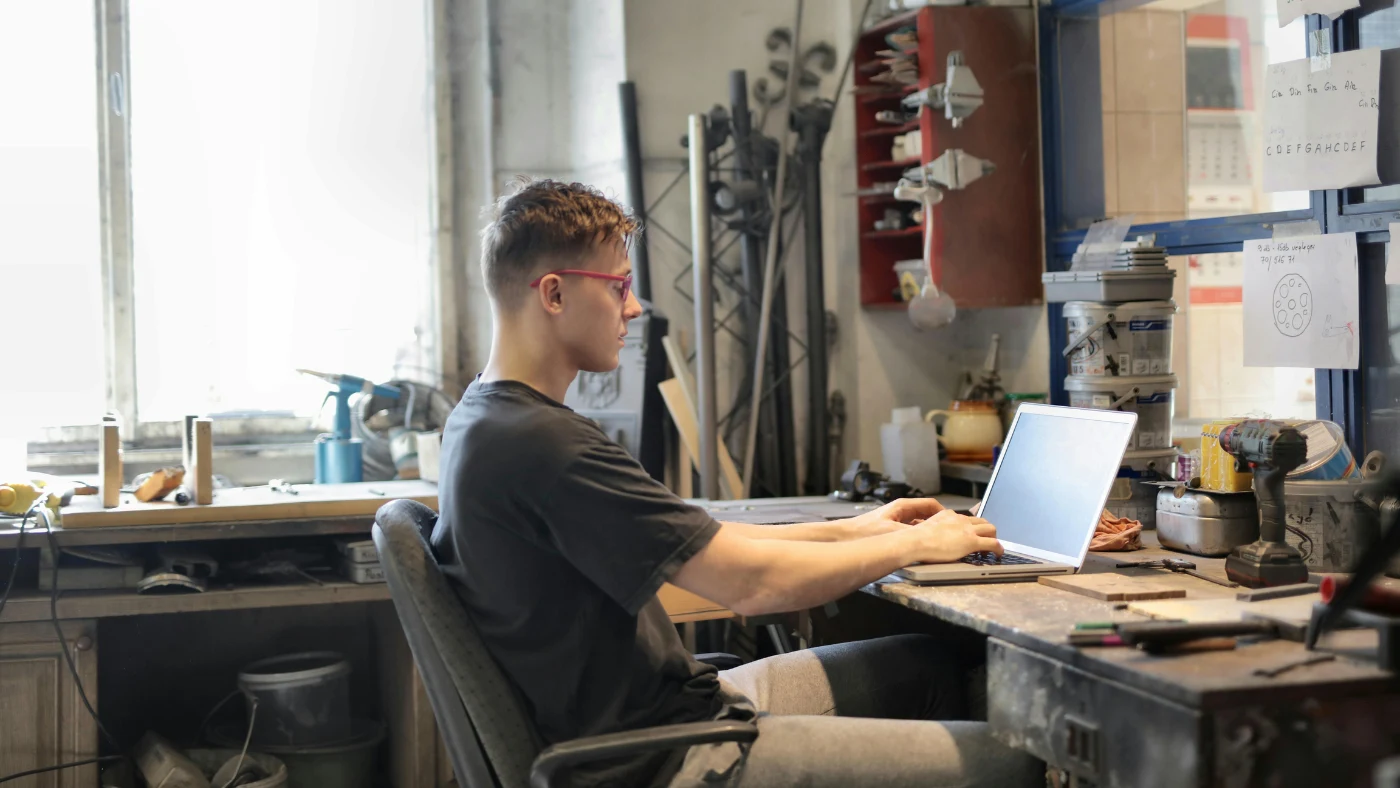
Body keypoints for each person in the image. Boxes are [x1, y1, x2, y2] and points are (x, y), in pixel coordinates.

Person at [432, 179, 1042, 788]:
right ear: (555, 293)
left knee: (930, 664)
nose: (635, 307)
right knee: (1010, 764)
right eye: (620, 285)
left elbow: (711, 544)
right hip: (668, 757)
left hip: (666, 713)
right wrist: (914, 546)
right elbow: (750, 585)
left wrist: (858, 528)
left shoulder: (485, 420)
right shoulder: (545, 445)